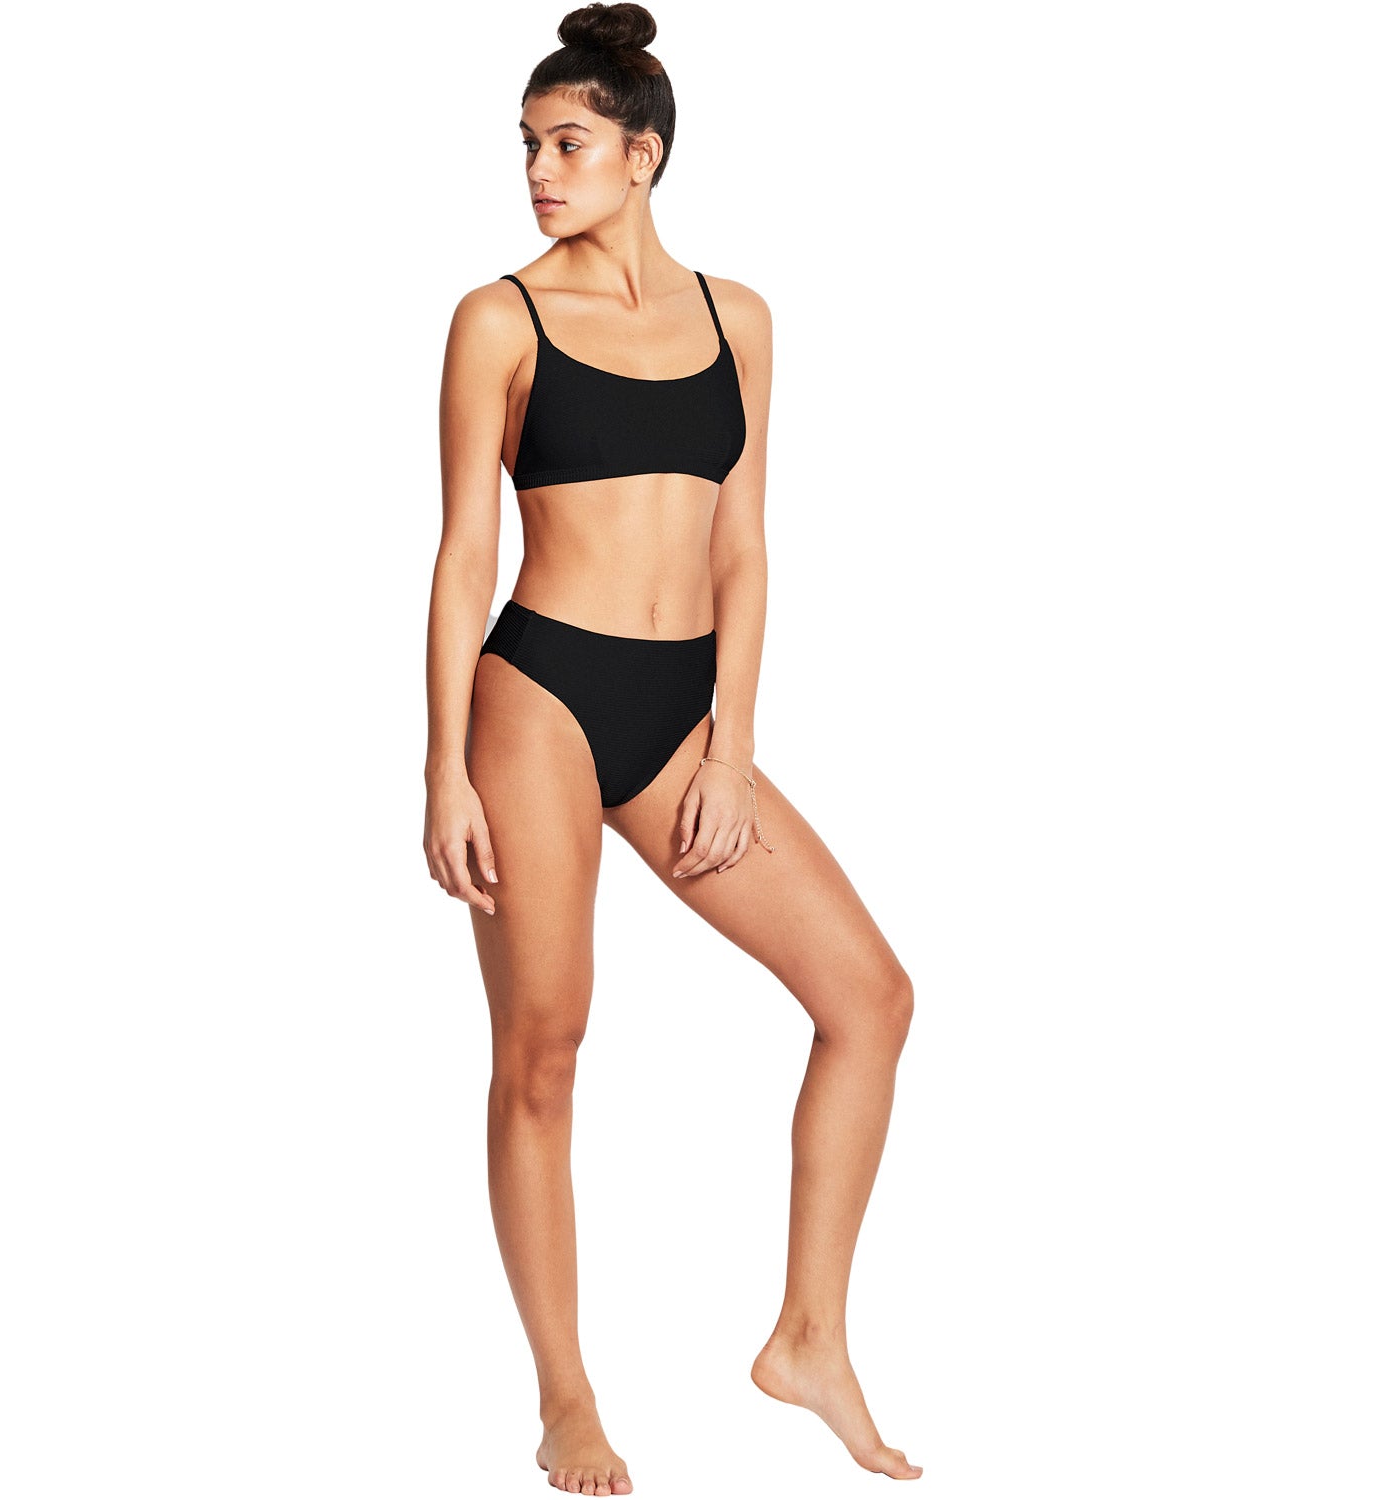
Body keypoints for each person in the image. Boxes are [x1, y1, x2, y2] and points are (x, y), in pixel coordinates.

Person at [423, 4, 921, 1491]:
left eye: (567, 144)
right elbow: (462, 556)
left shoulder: (736, 318)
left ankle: (809, 1338)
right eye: (527, 146)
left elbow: (746, 544)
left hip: (682, 713)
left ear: (643, 154)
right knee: (546, 1048)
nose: (538, 171)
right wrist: (441, 766)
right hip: (540, 694)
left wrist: (730, 742)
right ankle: (566, 1399)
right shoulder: (498, 320)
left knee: (871, 998)